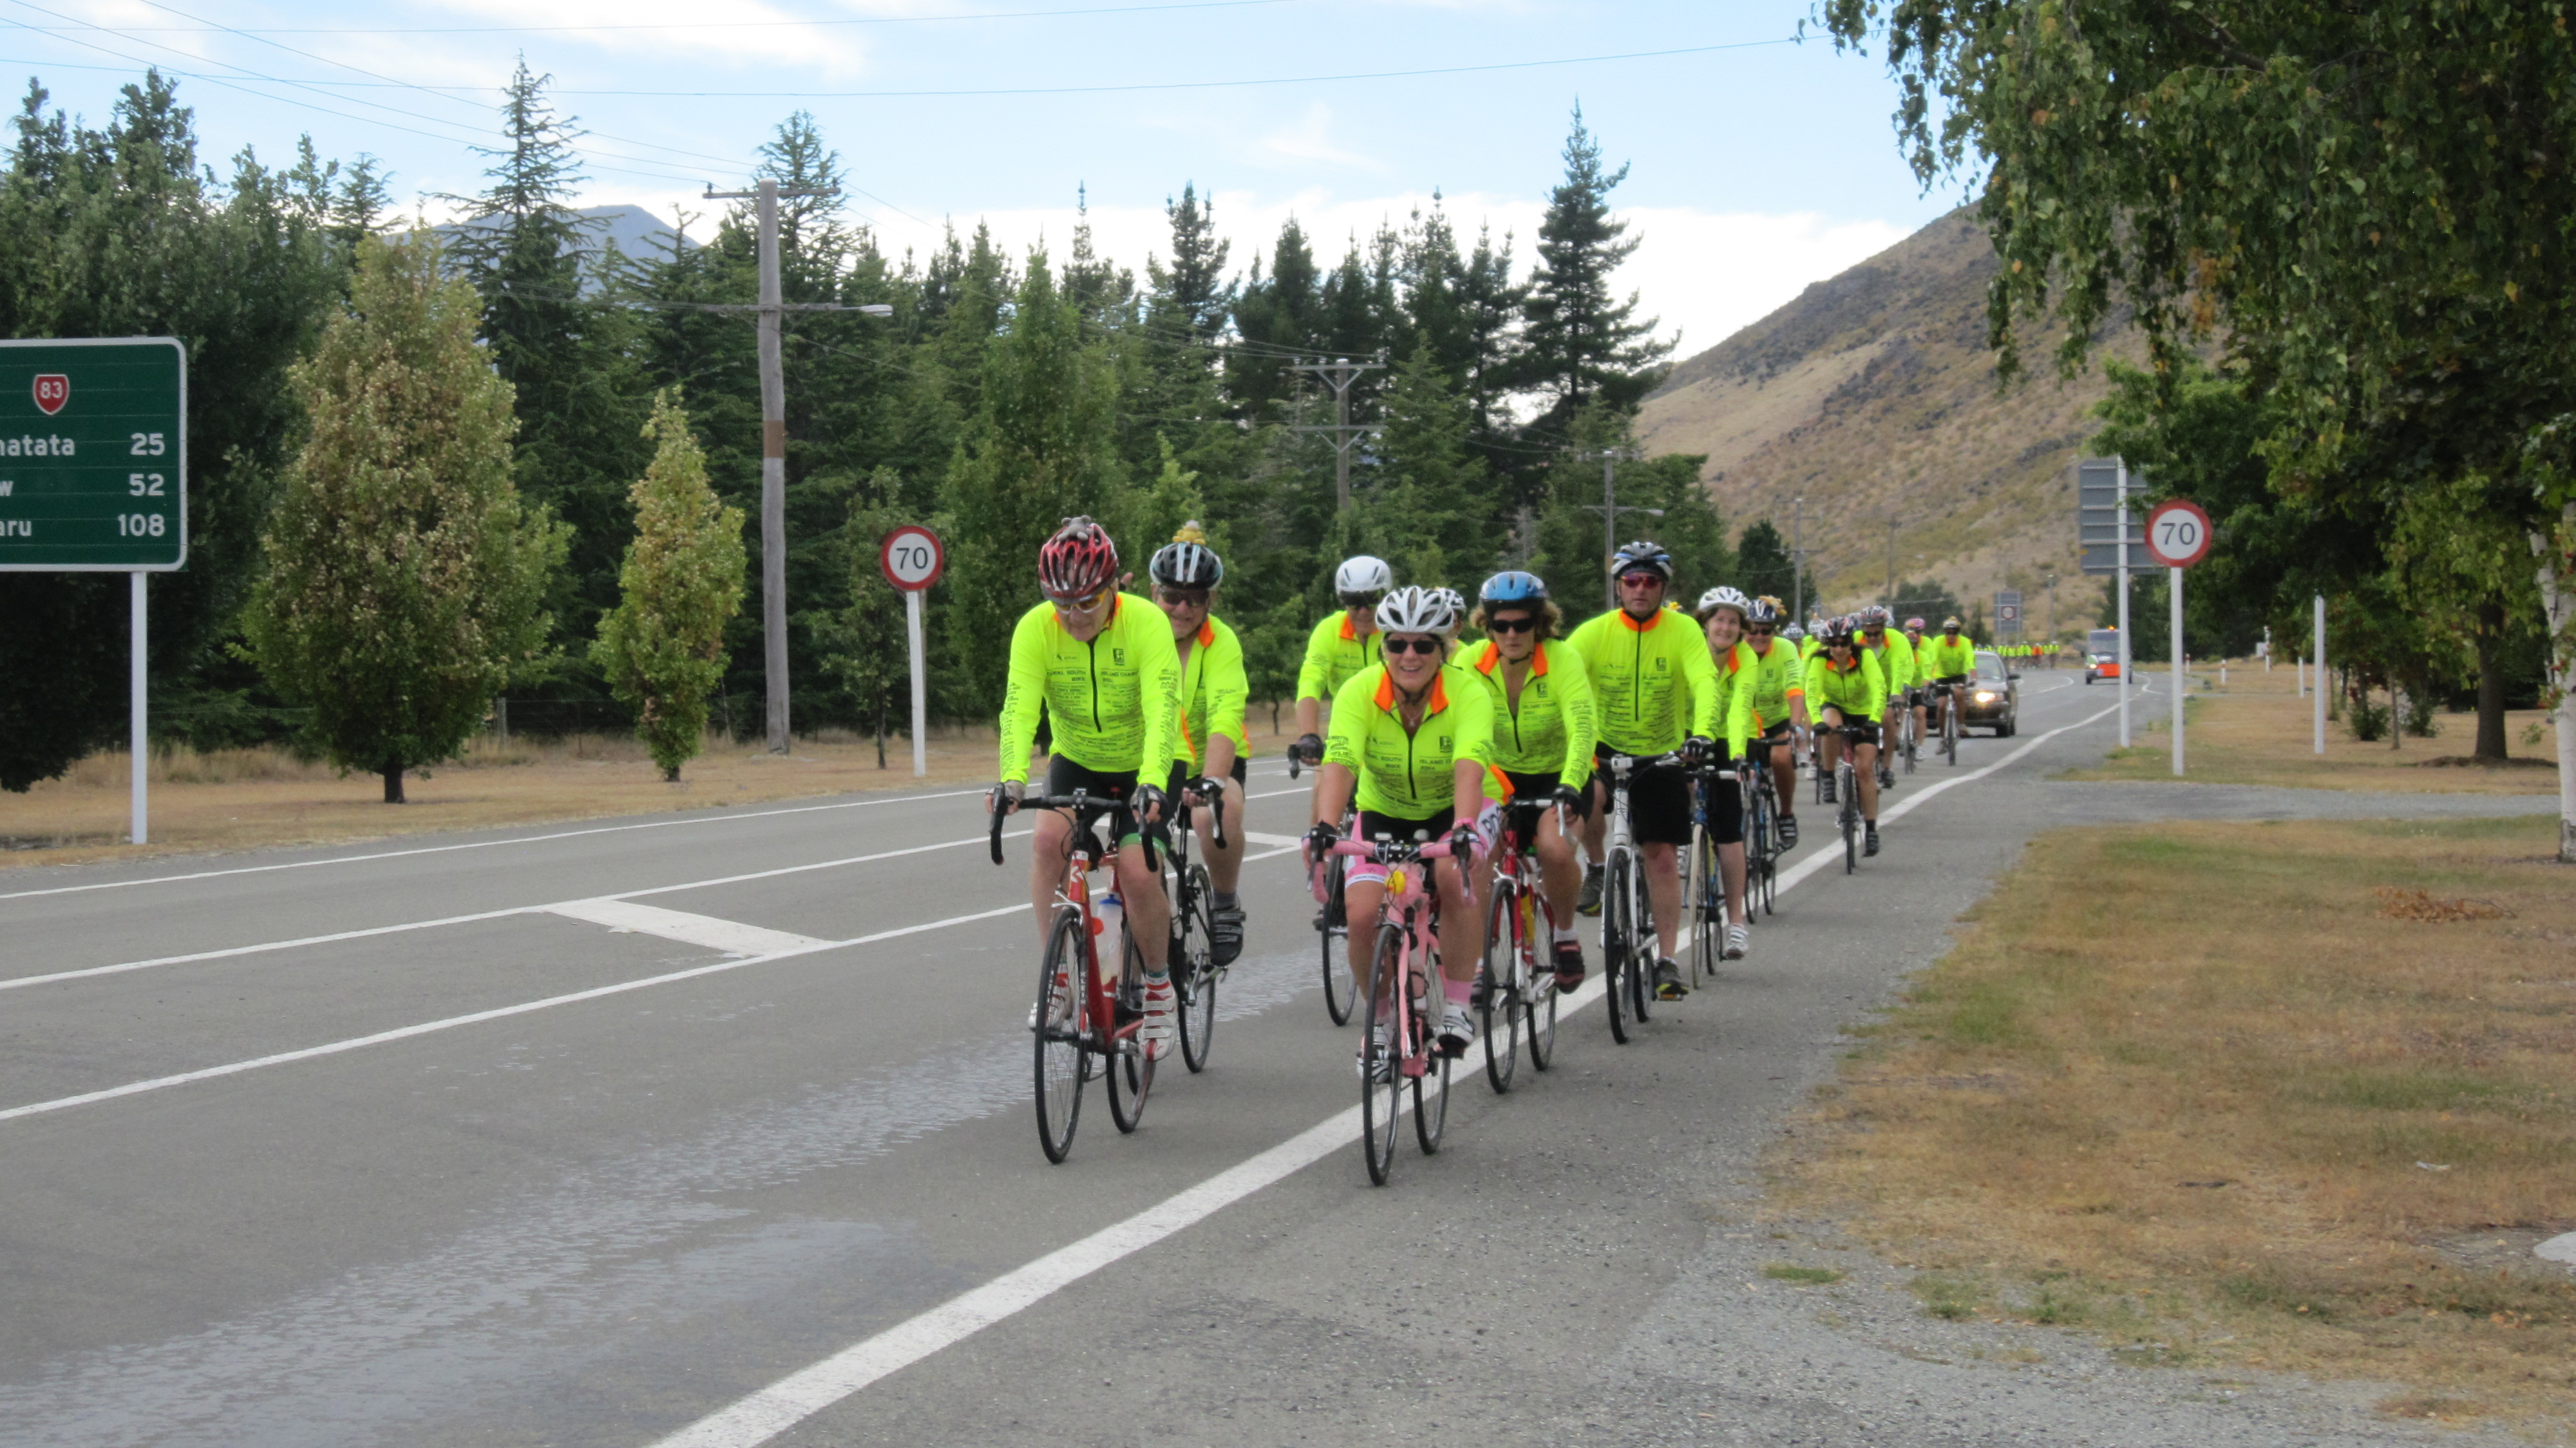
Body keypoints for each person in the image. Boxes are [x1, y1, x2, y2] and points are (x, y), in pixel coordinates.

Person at [995, 517, 1185, 1057]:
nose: (1073, 616)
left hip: (1149, 758)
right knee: (1043, 842)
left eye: (1086, 603)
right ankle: (1058, 979)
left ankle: (1156, 988)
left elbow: (1163, 708)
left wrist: (1151, 784)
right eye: (1061, 603)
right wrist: (1012, 776)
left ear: (1113, 588)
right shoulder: (1037, 629)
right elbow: (1019, 708)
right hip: (1077, 756)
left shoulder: (1147, 624)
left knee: (1137, 870)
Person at [1307, 586, 1500, 1062]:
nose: (1409, 655)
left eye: (1423, 645)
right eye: (1397, 644)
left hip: (1455, 808)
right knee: (1359, 915)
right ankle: (1381, 1021)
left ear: (1443, 648)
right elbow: (1343, 759)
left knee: (1454, 878)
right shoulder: (1359, 691)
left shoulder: (1468, 692)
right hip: (1384, 811)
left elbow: (1470, 762)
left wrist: (1463, 827)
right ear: (1383, 645)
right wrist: (1326, 826)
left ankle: (1457, 1004)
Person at [1567, 541, 1719, 1002]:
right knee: (1586, 797)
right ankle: (1597, 865)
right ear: (1618, 586)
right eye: (1631, 580)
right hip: (1602, 748)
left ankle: (1668, 959)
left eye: (1650, 581)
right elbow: (1563, 681)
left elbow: (1704, 681)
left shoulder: (1684, 631)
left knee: (1662, 857)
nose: (1640, 589)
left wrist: (1705, 733)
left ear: (1663, 588)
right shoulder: (1594, 633)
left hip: (1661, 753)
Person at [1462, 570, 1596, 992]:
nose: (1513, 634)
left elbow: (1583, 727)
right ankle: (1480, 958)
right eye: (1502, 625)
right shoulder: (1468, 664)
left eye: (1523, 624)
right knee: (1477, 857)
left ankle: (1565, 936)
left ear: (1541, 624)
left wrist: (1572, 781)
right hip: (1499, 778)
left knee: (1555, 850)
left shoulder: (1562, 659)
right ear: (1488, 626)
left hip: (1559, 775)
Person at [1150, 523, 1249, 966]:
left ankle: (1225, 903)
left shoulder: (1221, 642)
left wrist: (1211, 780)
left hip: (1213, 758)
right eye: (1172, 596)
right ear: (1154, 592)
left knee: (1216, 814)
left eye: (1197, 599)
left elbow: (1226, 715)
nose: (1182, 608)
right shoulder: (1138, 632)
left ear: (1213, 601)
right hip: (1156, 757)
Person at [1692, 587, 1762, 962]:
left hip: (1726, 739)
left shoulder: (1746, 657)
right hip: (1685, 733)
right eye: (1719, 619)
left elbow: (1740, 709)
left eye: (1733, 622)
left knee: (1729, 831)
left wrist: (1736, 756)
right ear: (1705, 622)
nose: (1726, 627)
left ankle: (1735, 922)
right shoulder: (1690, 648)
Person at [1291, 555, 1393, 767]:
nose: (1364, 611)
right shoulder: (1329, 630)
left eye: (1372, 599)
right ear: (1342, 600)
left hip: (1393, 729)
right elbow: (1311, 680)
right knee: (1325, 791)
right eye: (1354, 602)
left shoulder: (1396, 632)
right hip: (1347, 727)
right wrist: (1309, 734)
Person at [1806, 619, 1888, 857]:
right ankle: (1829, 775)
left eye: (1844, 643)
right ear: (1827, 644)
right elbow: (1811, 693)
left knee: (1864, 771)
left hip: (1864, 712)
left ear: (1852, 643)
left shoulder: (1865, 657)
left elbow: (1879, 688)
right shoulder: (1819, 661)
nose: (1839, 649)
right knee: (1830, 725)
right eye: (1833, 644)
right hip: (1835, 706)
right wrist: (1816, 721)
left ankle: (1871, 830)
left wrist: (1875, 719)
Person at [1741, 595, 1808, 850]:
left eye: (1766, 631)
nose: (1758, 636)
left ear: (1774, 631)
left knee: (1780, 759)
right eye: (1752, 630)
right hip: (1745, 721)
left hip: (1777, 718)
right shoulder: (1736, 649)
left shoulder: (1785, 649)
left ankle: (1786, 814)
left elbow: (1794, 687)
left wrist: (1794, 724)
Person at [1857, 605, 1911, 790]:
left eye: (1876, 634)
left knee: (1888, 718)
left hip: (1891, 686)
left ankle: (1887, 767)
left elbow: (1899, 668)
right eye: (1868, 634)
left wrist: (1897, 693)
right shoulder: (1856, 641)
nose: (1872, 638)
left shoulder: (1898, 640)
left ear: (1884, 629)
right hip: (1864, 689)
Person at [1918, 616, 1977, 741]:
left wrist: (1973, 676)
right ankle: (1942, 735)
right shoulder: (1938, 641)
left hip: (1958, 675)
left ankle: (1961, 725)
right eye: (1948, 633)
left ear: (1958, 633)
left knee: (1959, 693)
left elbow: (1970, 660)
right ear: (1945, 633)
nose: (1951, 635)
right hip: (1942, 676)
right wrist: (1928, 679)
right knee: (1941, 705)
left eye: (1954, 632)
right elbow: (1932, 660)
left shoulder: (1965, 642)